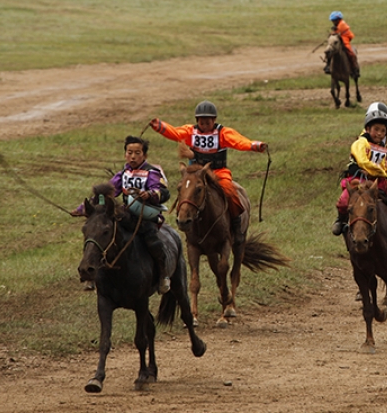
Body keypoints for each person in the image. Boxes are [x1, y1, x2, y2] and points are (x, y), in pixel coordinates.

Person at [149, 101, 267, 238]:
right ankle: (183, 218)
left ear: (214, 120)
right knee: (185, 191)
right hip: (197, 173)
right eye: (201, 123)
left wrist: (254, 145)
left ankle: (236, 222)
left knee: (229, 191)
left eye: (208, 123)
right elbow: (175, 133)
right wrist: (159, 126)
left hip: (218, 172)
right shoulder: (190, 131)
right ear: (197, 121)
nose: (204, 126)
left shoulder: (223, 133)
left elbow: (238, 141)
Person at [74, 136, 172, 293]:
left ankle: (163, 274)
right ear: (125, 154)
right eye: (129, 152)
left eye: (137, 153)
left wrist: (150, 194)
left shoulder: (152, 173)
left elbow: (163, 192)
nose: (133, 156)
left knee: (152, 240)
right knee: (103, 236)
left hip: (145, 217)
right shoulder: (123, 174)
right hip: (127, 216)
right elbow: (107, 192)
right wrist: (81, 209)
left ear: (144, 155)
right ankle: (93, 274)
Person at [332, 102, 387, 238]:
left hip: (379, 180)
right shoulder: (360, 143)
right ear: (367, 129)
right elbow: (363, 161)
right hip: (359, 180)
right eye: (376, 129)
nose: (379, 133)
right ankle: (340, 221)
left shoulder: (384, 141)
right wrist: (376, 171)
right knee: (344, 200)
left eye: (383, 131)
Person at [324, 11, 360, 78]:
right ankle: (328, 65)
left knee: (351, 53)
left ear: (338, 20)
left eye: (334, 20)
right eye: (332, 21)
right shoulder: (337, 24)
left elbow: (337, 32)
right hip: (338, 39)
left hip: (345, 39)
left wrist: (333, 33)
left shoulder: (342, 24)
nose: (333, 22)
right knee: (329, 50)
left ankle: (354, 69)